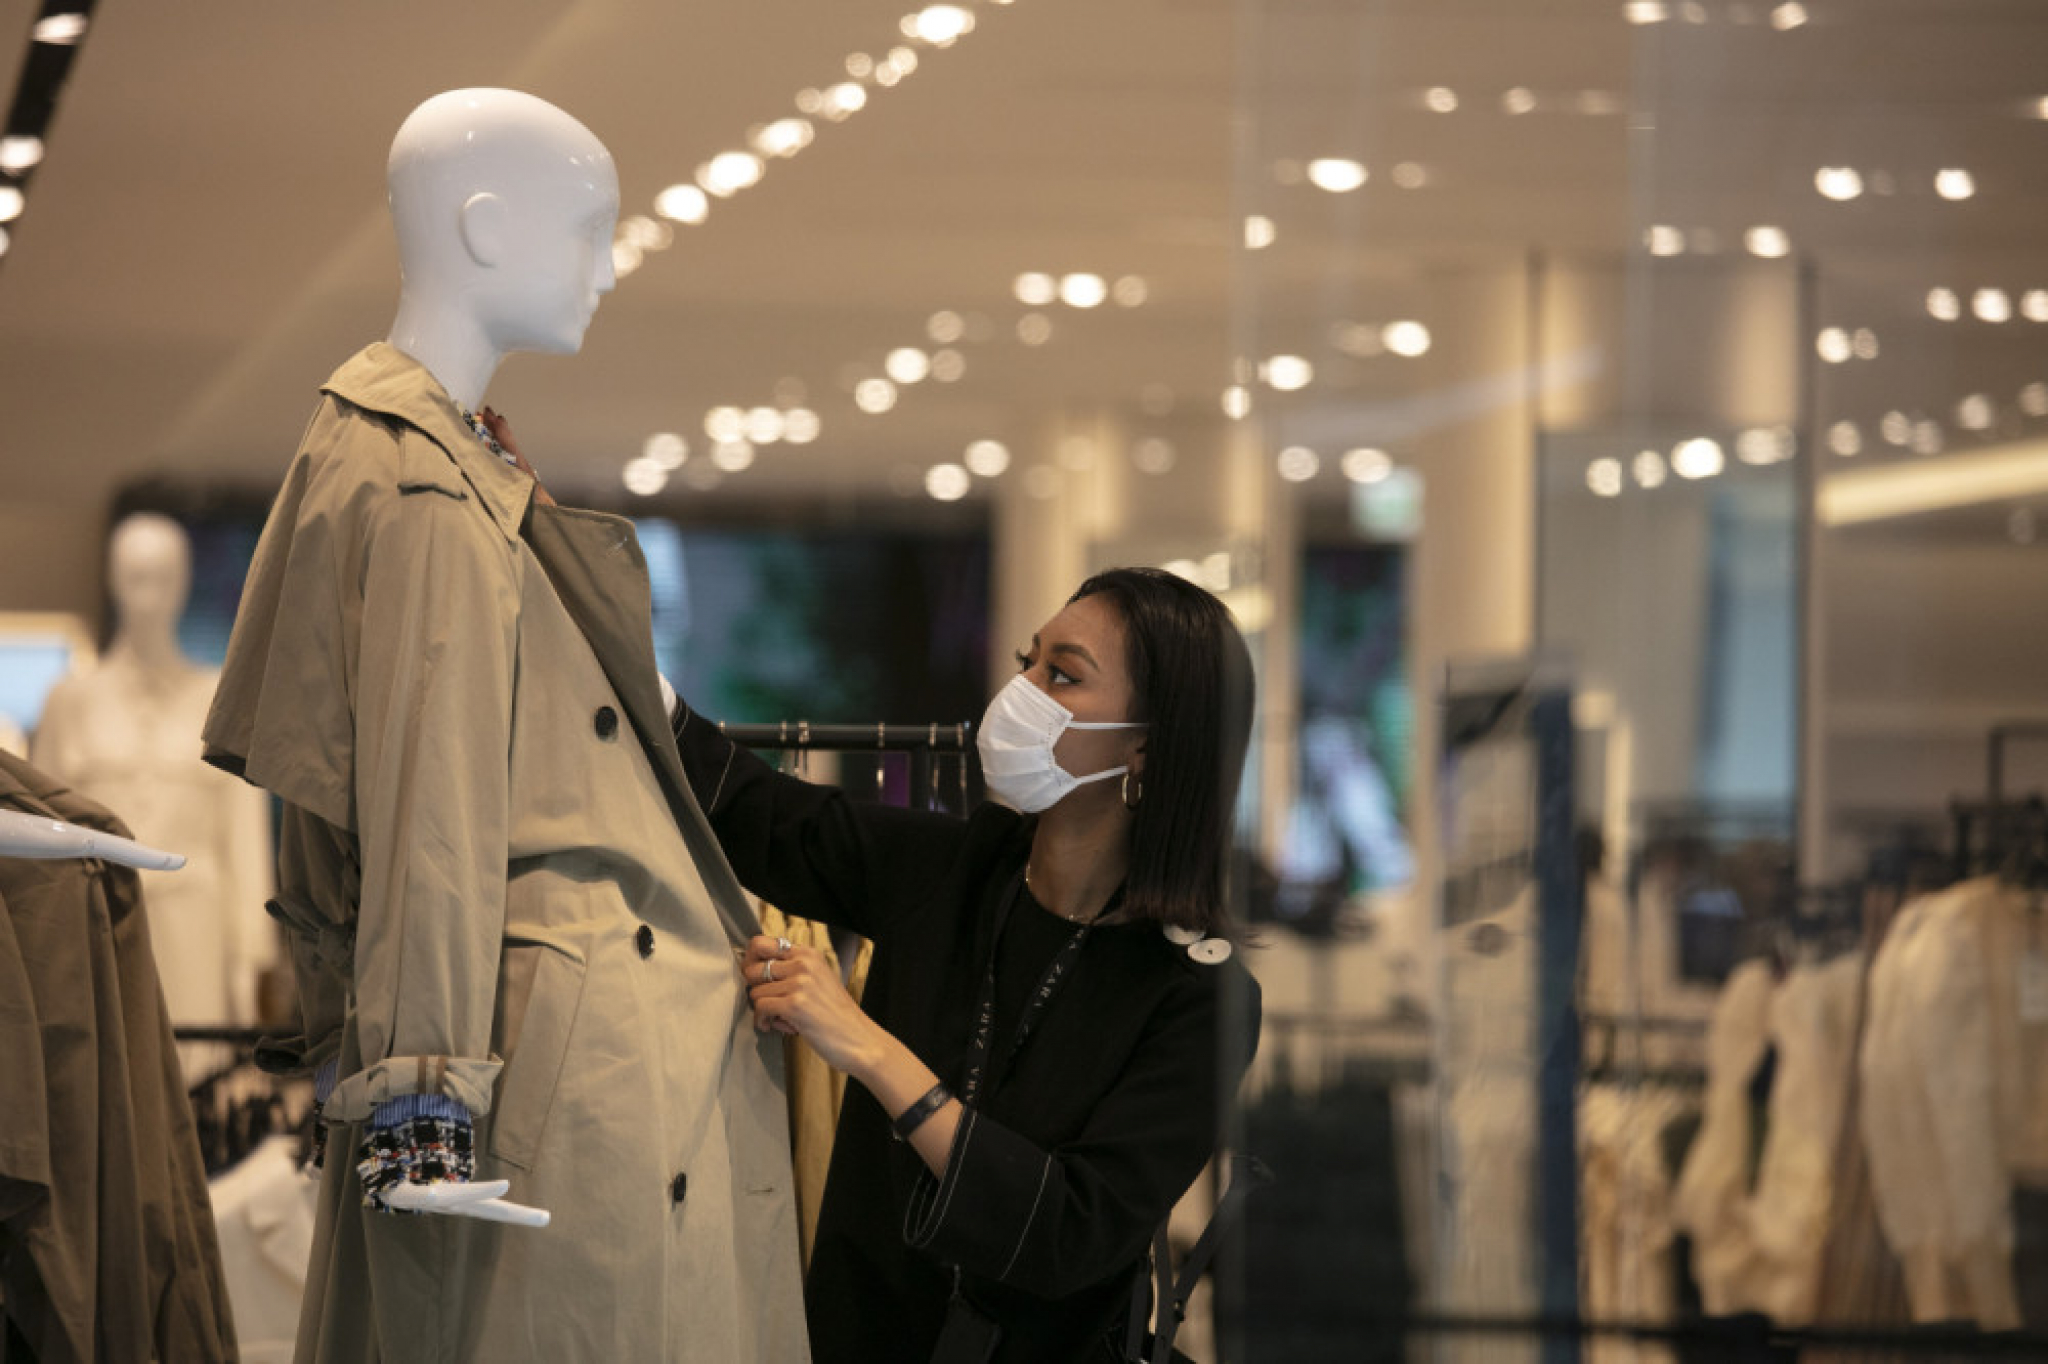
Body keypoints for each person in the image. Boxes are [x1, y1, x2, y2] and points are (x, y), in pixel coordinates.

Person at [199, 89, 807, 1362]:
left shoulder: (412, 455)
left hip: (553, 1042)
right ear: (482, 229)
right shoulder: (422, 484)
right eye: (589, 227)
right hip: (562, 1072)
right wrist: (423, 1097)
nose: (606, 261)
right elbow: (433, 813)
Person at [670, 566, 1263, 1362]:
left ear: (1147, 746)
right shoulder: (954, 870)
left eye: (1062, 675)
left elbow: (1071, 1232)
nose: (1020, 689)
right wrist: (571, 558)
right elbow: (749, 808)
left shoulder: (1195, 994)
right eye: (1028, 660)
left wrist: (868, 1047)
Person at [33, 512, 276, 1074]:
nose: (150, 596)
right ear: (114, 580)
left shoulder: (217, 698)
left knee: (195, 1091)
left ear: (185, 580)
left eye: (164, 578)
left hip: (197, 936)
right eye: (137, 577)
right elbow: (42, 849)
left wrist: (250, 962)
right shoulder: (69, 704)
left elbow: (244, 840)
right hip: (99, 928)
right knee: (107, 1080)